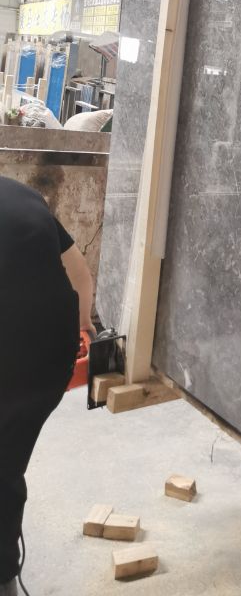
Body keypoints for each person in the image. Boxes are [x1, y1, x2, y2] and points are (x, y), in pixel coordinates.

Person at [0, 176, 95, 596]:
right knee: (7, 460)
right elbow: (80, 274)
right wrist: (84, 326)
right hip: (49, 353)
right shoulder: (20, 193)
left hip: (16, 349)